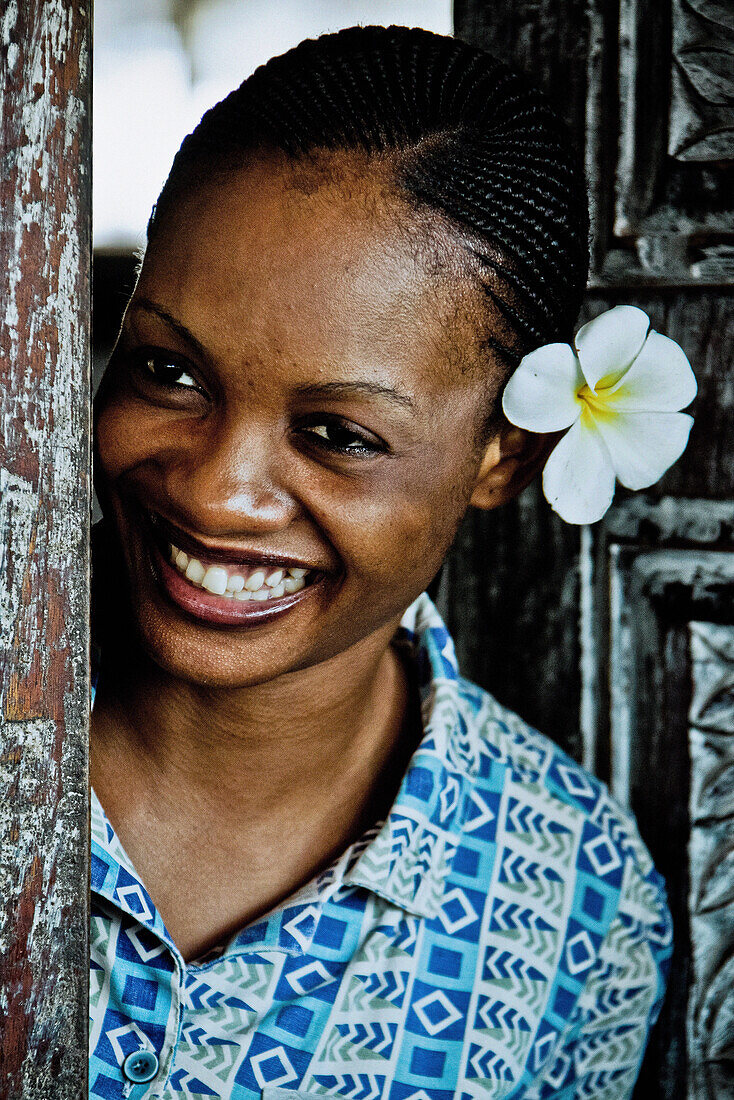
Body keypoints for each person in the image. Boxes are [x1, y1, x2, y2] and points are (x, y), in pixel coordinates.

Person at [89, 25, 691, 1100]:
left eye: (337, 434)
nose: (216, 487)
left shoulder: (573, 910)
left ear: (503, 456)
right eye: (168, 369)